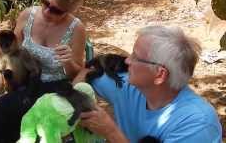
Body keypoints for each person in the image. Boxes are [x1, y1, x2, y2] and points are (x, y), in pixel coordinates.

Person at [76, 26, 222, 142]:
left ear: (159, 74)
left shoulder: (196, 124)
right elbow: (87, 72)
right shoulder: (130, 86)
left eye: (135, 57)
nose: (127, 61)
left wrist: (111, 132)